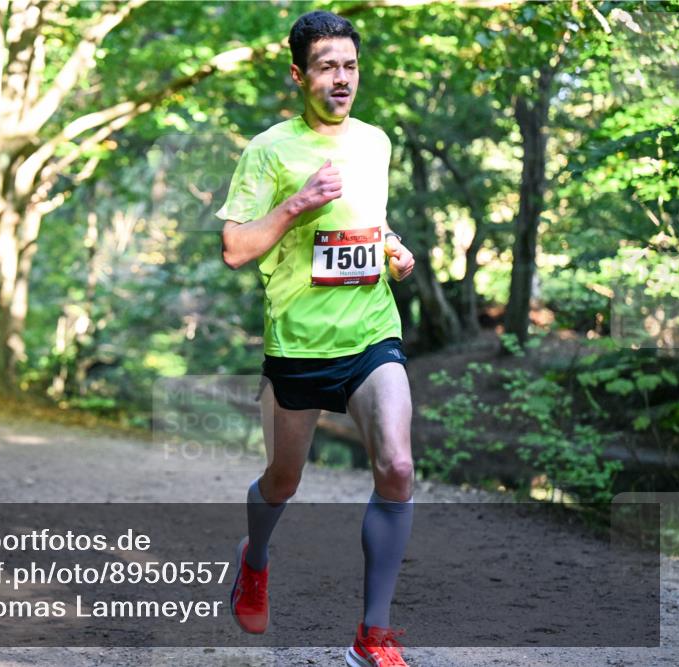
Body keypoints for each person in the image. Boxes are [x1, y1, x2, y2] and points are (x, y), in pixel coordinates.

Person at [217, 11, 417, 667]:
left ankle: (374, 633)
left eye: (351, 66)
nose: (342, 79)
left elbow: (369, 222)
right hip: (298, 344)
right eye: (328, 66)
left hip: (370, 331)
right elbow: (235, 249)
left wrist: (393, 247)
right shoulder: (269, 150)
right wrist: (297, 202)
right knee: (282, 479)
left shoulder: (376, 142)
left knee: (397, 465)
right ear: (298, 74)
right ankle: (256, 560)